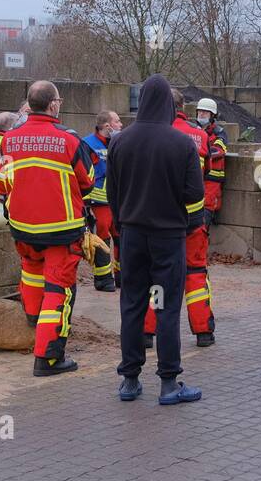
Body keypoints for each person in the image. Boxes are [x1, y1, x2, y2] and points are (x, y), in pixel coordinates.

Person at [108, 74, 205, 405]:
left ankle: (130, 380)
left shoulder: (119, 141)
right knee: (164, 307)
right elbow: (195, 197)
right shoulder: (182, 144)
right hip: (168, 238)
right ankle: (168, 383)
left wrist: (123, 224)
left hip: (132, 236)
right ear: (168, 104)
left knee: (132, 305)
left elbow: (113, 193)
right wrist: (188, 226)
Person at [2, 81, 95, 377]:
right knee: (59, 290)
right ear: (53, 105)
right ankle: (49, 357)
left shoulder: (8, 139)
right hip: (61, 230)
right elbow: (88, 180)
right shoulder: (68, 140)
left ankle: (33, 320)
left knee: (30, 272)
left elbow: (2, 182)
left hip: (22, 226)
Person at [142, 89, 216, 348]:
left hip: (159, 220)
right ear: (184, 107)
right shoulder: (200, 136)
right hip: (193, 218)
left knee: (158, 278)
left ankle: (147, 330)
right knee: (195, 274)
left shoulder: (151, 134)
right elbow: (204, 176)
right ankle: (203, 331)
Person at [81, 111, 118, 292]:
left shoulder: (119, 141)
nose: (121, 125)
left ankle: (121, 276)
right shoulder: (88, 144)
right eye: (117, 121)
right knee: (102, 237)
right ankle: (103, 279)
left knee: (121, 237)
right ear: (107, 126)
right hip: (98, 202)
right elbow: (84, 174)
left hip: (118, 201)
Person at [196, 97, 226, 223]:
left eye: (205, 112)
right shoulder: (193, 130)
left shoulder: (219, 132)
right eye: (199, 111)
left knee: (204, 217)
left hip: (211, 181)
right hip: (196, 178)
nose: (201, 114)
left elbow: (219, 150)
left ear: (212, 115)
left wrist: (198, 152)